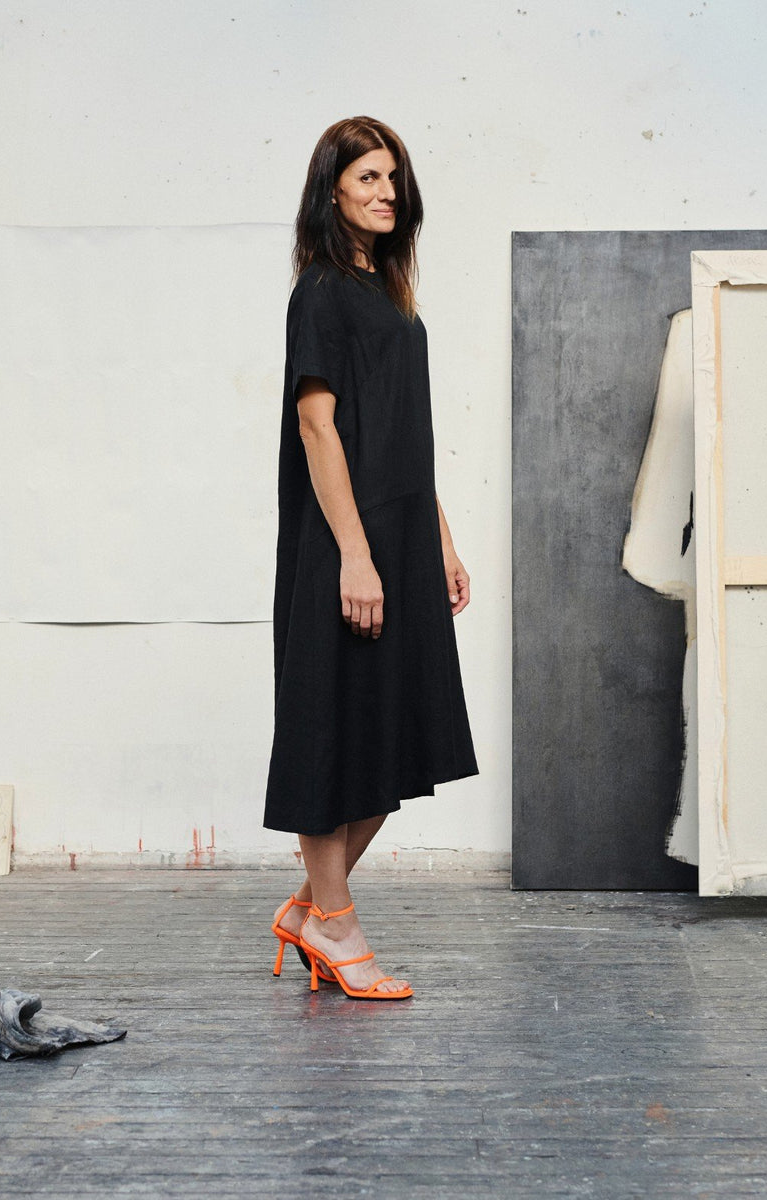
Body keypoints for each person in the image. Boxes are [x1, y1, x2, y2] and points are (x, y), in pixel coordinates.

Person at [265, 116, 479, 1001]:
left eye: (393, 177)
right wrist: (355, 554)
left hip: (402, 537)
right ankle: (338, 926)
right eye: (367, 178)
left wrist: (441, 537)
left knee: (392, 741)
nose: (386, 191)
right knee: (333, 737)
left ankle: (316, 908)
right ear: (333, 192)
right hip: (343, 543)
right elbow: (320, 426)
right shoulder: (320, 291)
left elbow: (401, 434)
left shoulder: (389, 294)